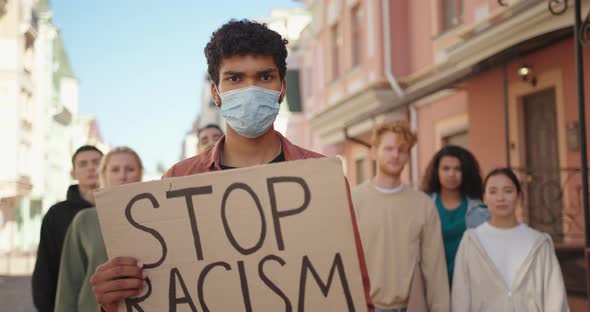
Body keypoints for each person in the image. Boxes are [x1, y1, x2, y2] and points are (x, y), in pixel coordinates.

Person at [89, 19, 373, 312]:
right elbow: (163, 292)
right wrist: (116, 299)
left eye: (264, 77)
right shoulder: (179, 180)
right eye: (235, 79)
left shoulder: (320, 178)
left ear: (282, 88)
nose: (250, 90)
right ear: (215, 93)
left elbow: (352, 288)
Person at [352, 121, 450, 312]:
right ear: (373, 152)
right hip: (363, 306)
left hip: (411, 306)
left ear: (408, 154)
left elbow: (435, 269)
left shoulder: (423, 205)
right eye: (388, 148)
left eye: (402, 149)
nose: (395, 155)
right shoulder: (353, 200)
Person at [452, 168, 569, 311]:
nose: (501, 198)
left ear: (519, 196)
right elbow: (461, 295)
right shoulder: (471, 241)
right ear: (484, 198)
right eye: (493, 191)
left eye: (508, 191)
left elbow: (554, 297)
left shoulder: (538, 242)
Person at [54, 147, 143, 312]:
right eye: (115, 169)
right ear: (104, 175)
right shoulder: (84, 220)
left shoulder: (154, 217)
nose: (123, 176)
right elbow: (70, 282)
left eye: (130, 169)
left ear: (140, 174)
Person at [32, 145, 103, 312]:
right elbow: (46, 266)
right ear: (74, 173)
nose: (91, 167)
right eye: (83, 164)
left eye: (96, 162)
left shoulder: (120, 209)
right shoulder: (57, 214)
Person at [421, 145, 490, 285]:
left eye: (458, 169)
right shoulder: (423, 206)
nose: (451, 174)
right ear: (437, 172)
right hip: (433, 286)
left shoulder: (481, 211)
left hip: (470, 286)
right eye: (446, 168)